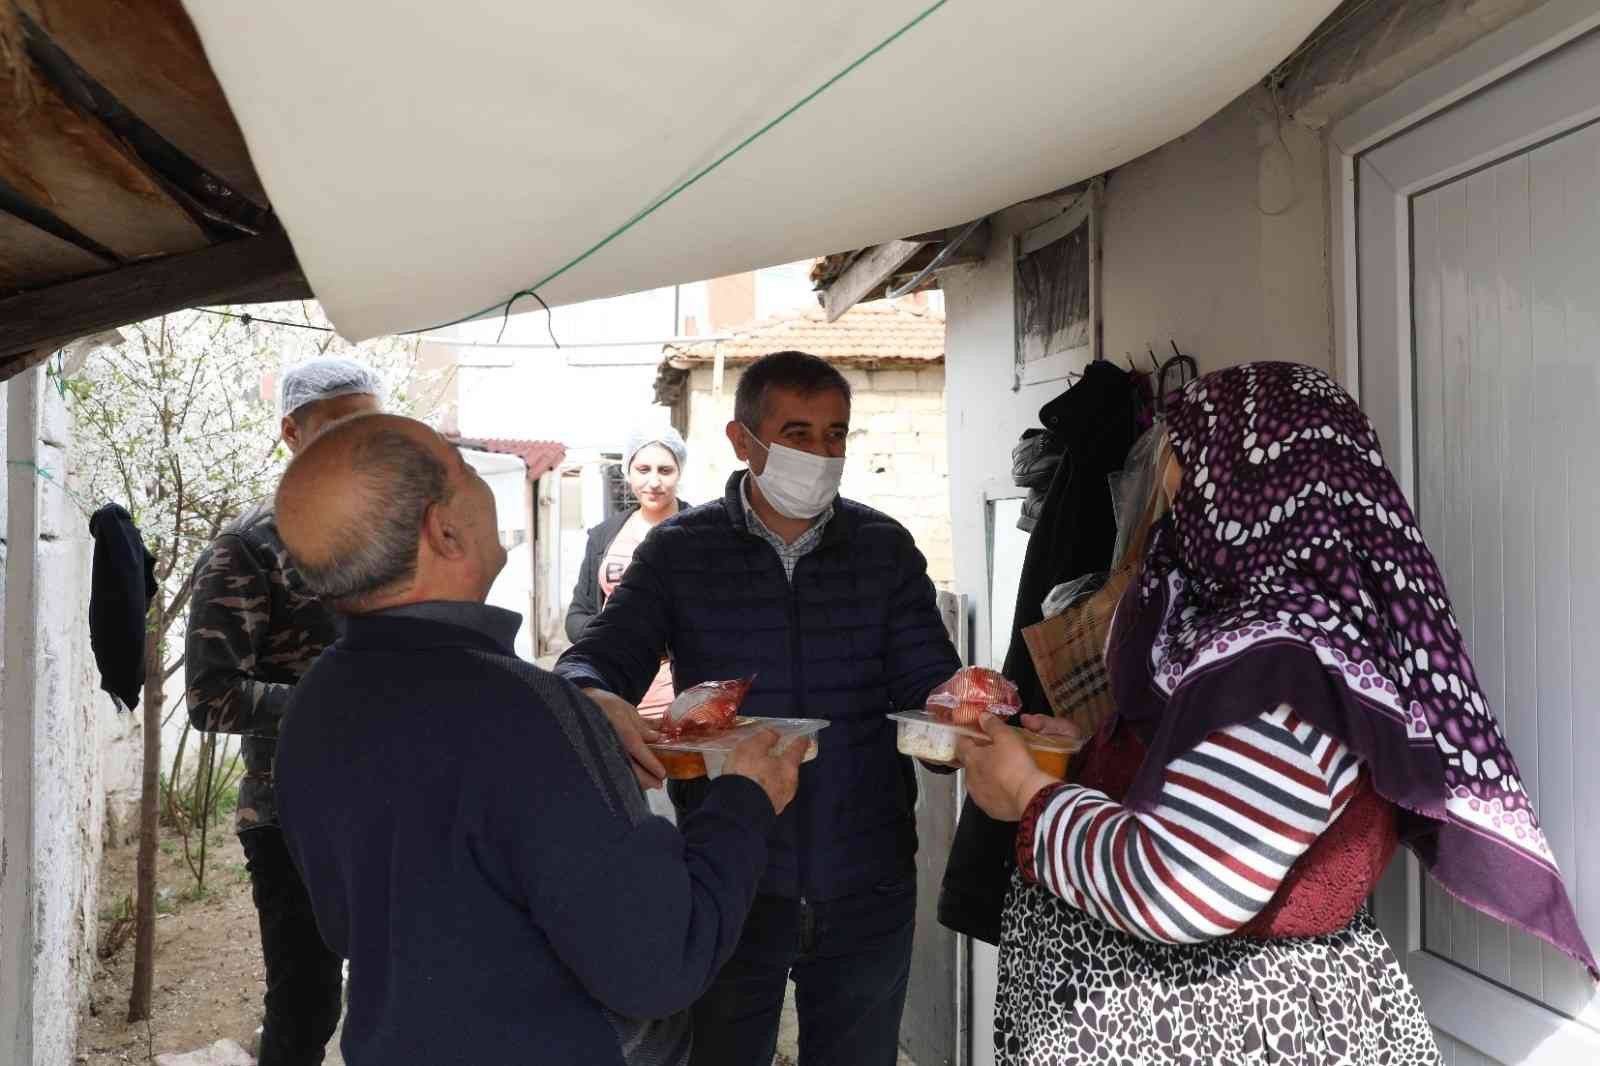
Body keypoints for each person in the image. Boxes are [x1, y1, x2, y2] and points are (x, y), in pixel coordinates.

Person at [956, 362, 1597, 1065]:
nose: (1168, 491)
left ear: (1249, 479)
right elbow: (1210, 784)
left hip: (1225, 1033)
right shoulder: (1250, 632)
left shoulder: (1284, 663)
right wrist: (1081, 759)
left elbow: (1177, 883)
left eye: (1182, 462)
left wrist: (1027, 795)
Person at [269, 413, 808, 1066]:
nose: (483, 481)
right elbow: (660, 963)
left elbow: (348, 921)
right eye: (466, 471)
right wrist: (746, 798)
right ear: (443, 530)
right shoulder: (525, 712)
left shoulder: (314, 703)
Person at [556, 350, 963, 1066]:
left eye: (835, 434)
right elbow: (597, 655)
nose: (821, 453)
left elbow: (929, 680)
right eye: (798, 433)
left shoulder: (884, 548)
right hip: (729, 873)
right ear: (742, 441)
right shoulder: (680, 551)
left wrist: (962, 711)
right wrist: (594, 696)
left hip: (866, 874)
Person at [185, 357, 382, 1066]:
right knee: (305, 1003)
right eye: (336, 427)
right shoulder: (250, 546)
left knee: (405, 989)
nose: (356, 442)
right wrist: (338, 703)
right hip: (292, 809)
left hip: (395, 801)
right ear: (291, 433)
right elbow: (210, 695)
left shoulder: (392, 535)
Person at [565, 425, 693, 717]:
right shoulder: (604, 536)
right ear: (627, 471)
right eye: (643, 469)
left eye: (665, 470)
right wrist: (619, 637)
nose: (654, 481)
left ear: (679, 472)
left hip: (683, 704)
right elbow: (576, 616)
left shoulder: (702, 534)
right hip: (617, 702)